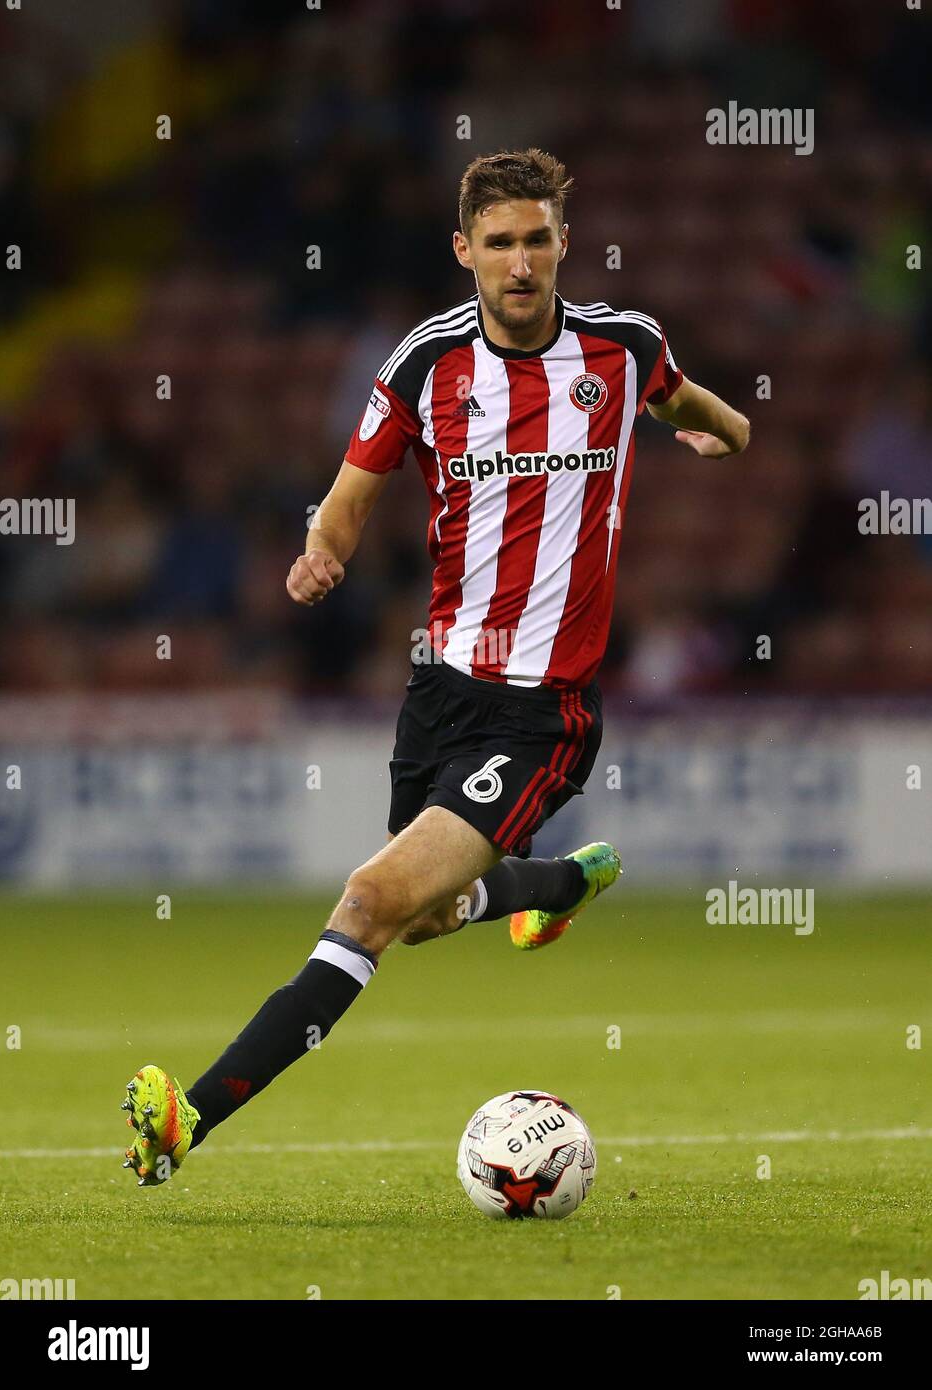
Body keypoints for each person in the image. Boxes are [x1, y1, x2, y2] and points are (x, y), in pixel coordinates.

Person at [122, 148, 750, 1185]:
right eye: (497, 243)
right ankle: (558, 881)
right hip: (441, 688)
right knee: (424, 920)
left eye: (535, 239)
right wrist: (321, 553)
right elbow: (349, 496)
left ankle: (189, 1117)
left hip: (542, 711)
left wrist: (726, 431)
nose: (518, 262)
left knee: (368, 901)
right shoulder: (425, 364)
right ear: (464, 251)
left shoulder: (621, 348)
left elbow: (682, 397)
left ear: (562, 244)